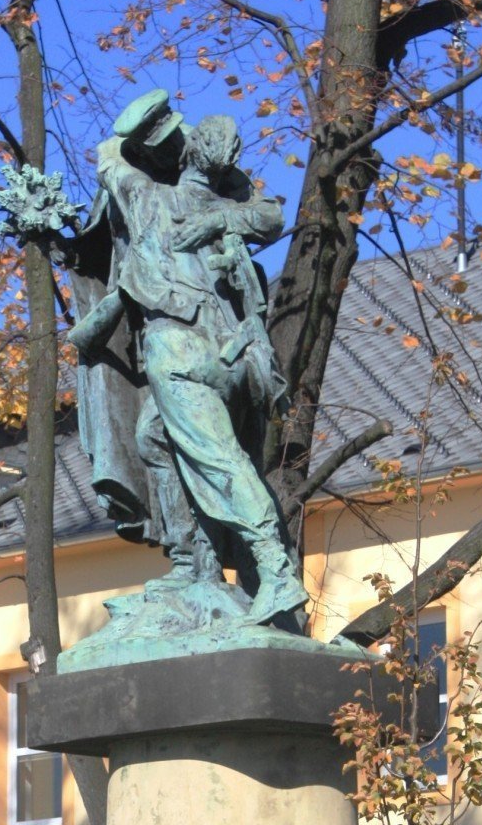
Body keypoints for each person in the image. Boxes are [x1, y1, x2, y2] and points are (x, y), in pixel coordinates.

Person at [72, 92, 306, 627]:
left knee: (216, 457)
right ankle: (196, 560)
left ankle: (274, 568)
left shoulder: (147, 200)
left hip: (178, 349)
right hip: (235, 358)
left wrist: (146, 133)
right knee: (153, 437)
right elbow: (269, 216)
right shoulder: (220, 208)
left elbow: (109, 155)